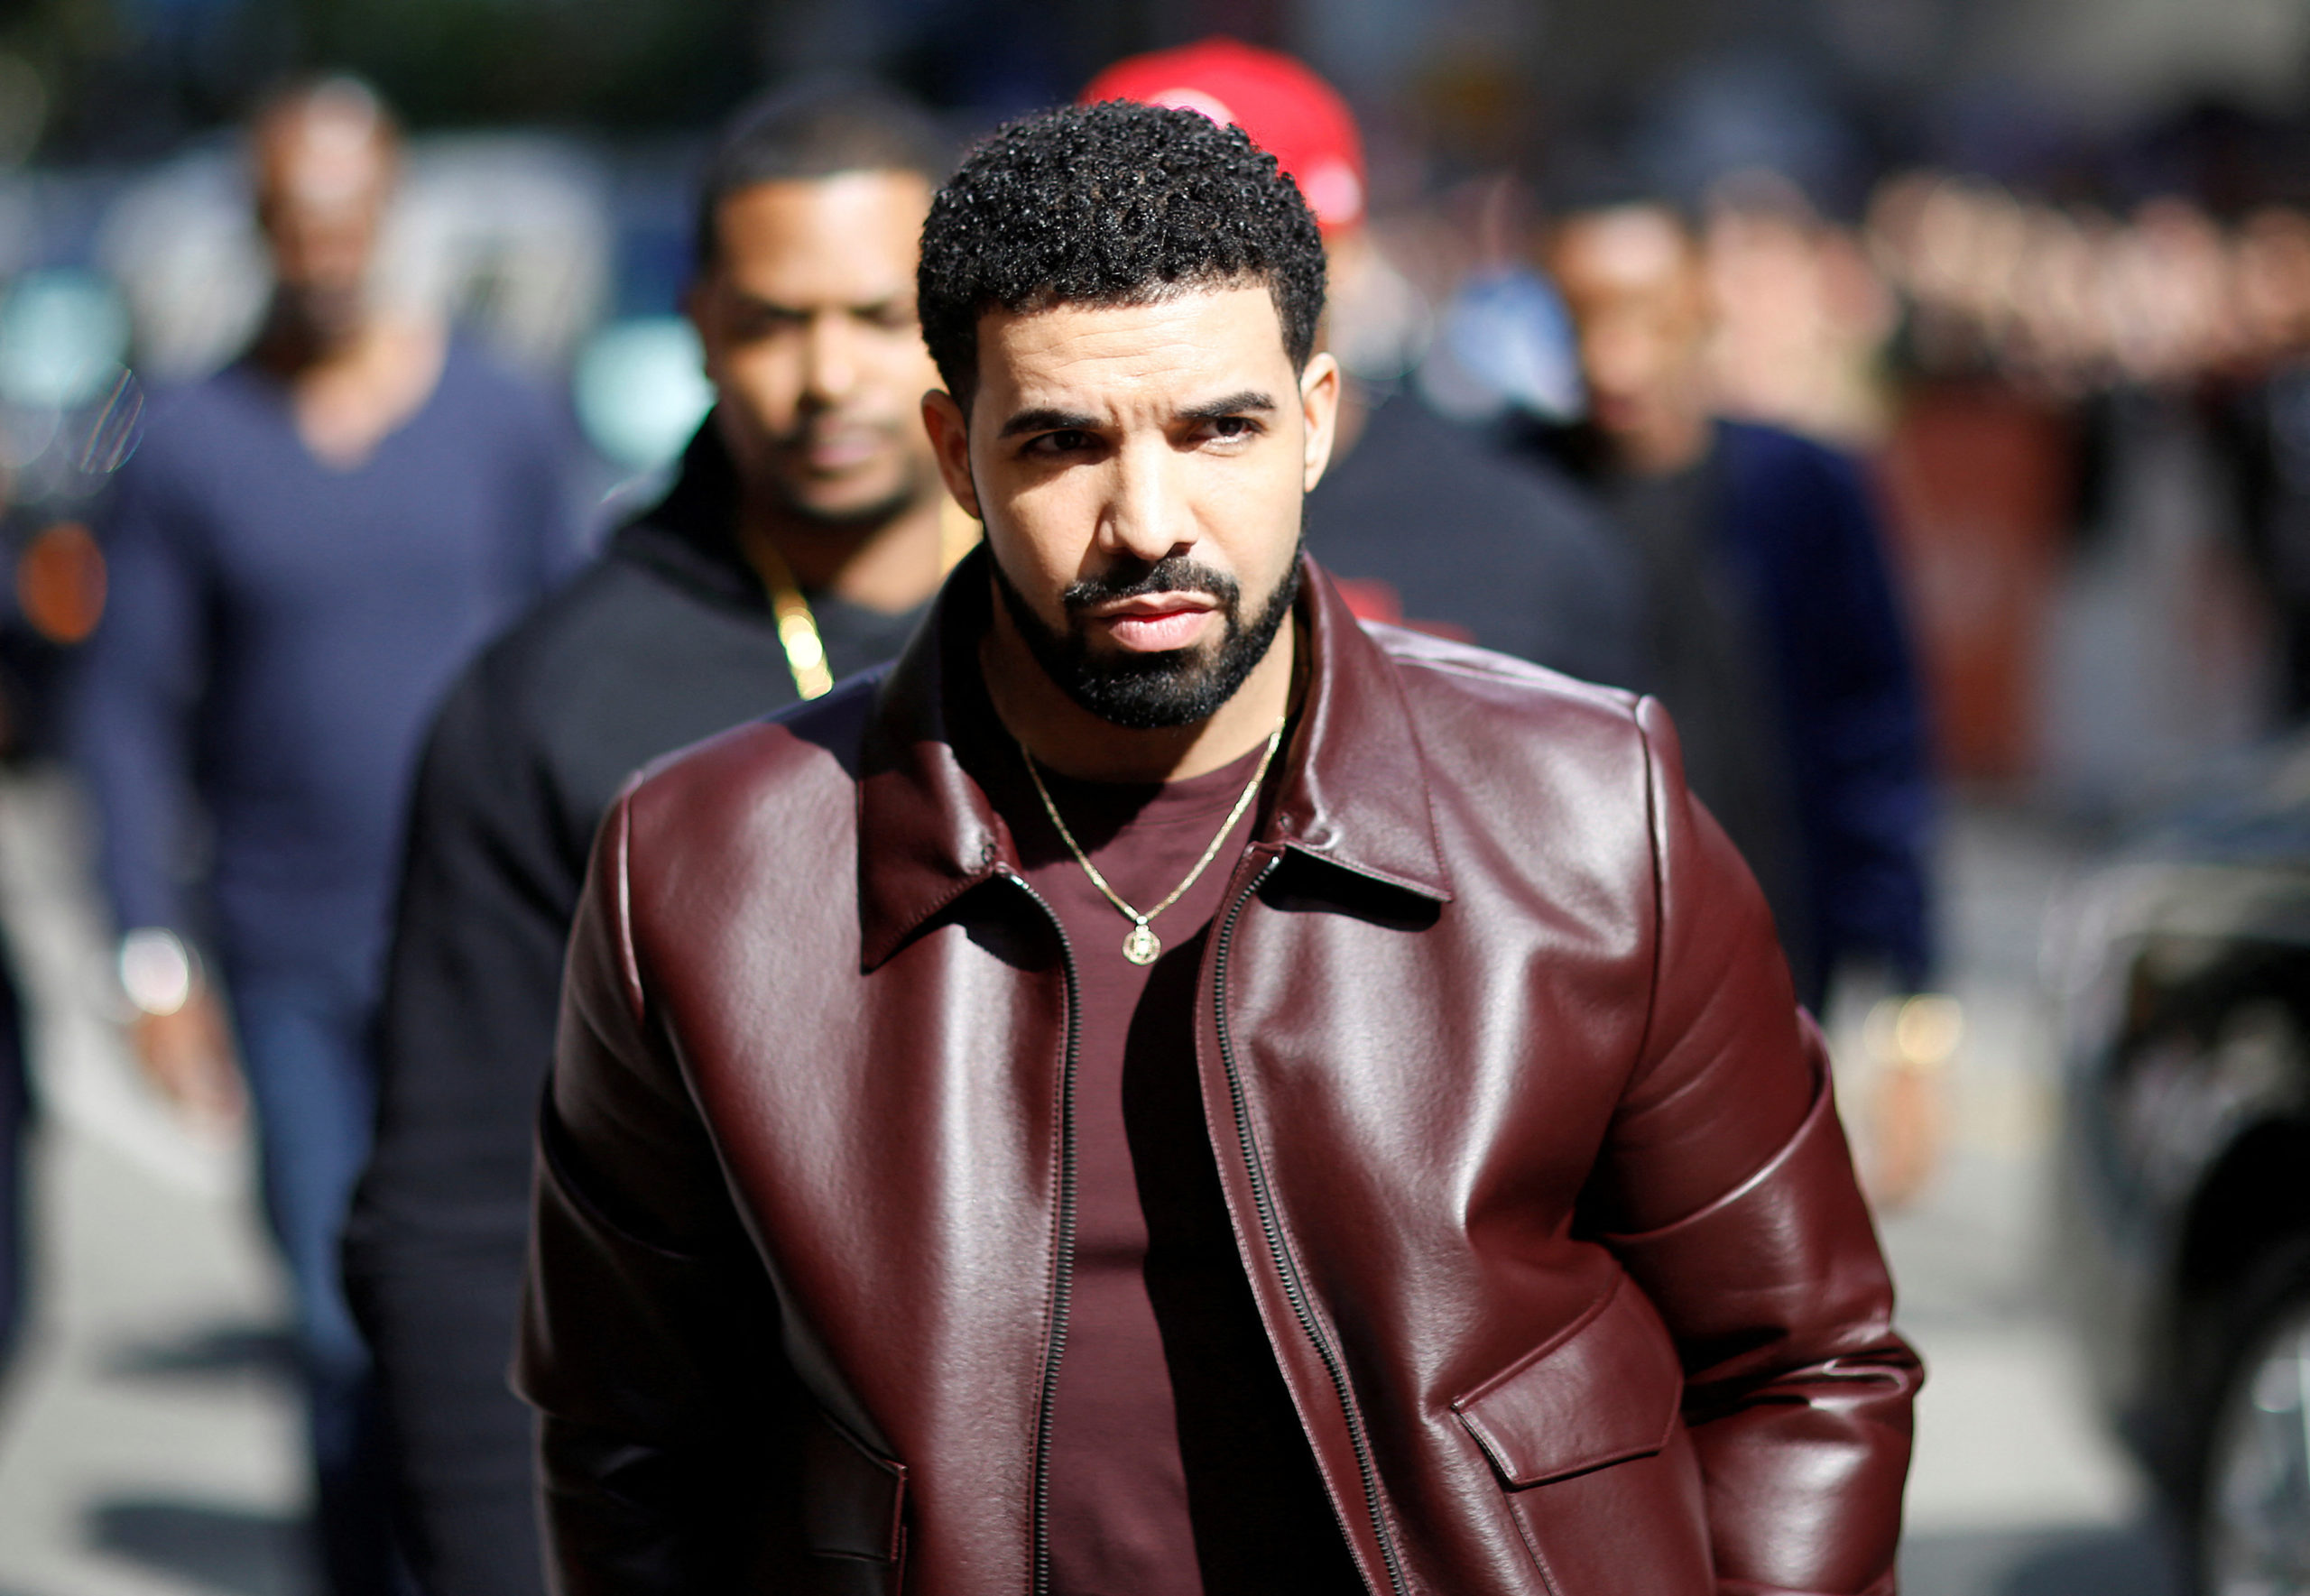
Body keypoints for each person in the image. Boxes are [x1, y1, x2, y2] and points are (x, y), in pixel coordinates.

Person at [517, 100, 1917, 1594]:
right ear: (954, 448)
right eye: (1063, 441)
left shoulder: (1585, 814)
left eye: (1219, 427)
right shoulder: (706, 868)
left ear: (1316, 416)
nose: (1147, 518)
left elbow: (1802, 1364)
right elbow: (629, 1437)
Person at [340, 83, 962, 1596]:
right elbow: (463, 1207)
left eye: (881, 318)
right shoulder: (557, 698)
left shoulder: (1111, 625)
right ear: (695, 325)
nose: (829, 377)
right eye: (773, 321)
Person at [68, 77, 580, 1594]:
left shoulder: (499, 414)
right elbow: (125, 715)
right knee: (334, 1309)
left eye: (350, 214)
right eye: (295, 219)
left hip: (500, 947)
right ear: (259, 228)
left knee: (502, 1306)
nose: (327, 247)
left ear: (393, 212)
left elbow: (579, 656)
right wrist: (151, 956)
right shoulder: (190, 444)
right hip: (290, 951)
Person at [1084, 39, 1645, 688]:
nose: (1166, 299)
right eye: (1115, 262)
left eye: (1230, 261)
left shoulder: (1524, 542)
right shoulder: (1030, 535)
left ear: (1342, 259)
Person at [1544, 195, 1936, 1012]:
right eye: (1586, 319)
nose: (1615, 359)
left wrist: (1912, 986)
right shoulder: (1523, 494)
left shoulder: (1801, 489)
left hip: (1770, 957)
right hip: (1577, 969)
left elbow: (1875, 735)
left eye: (1646, 318)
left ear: (1699, 307)